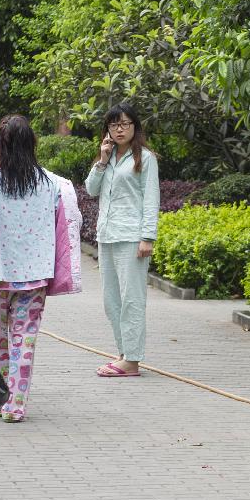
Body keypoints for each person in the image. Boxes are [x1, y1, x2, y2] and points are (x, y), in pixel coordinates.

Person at [0, 115, 81, 422]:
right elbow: (71, 220)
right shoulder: (53, 184)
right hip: (36, 275)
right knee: (25, 338)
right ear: (32, 144)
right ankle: (16, 405)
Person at [85, 103, 159, 378]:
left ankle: (133, 360)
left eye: (125, 124)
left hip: (132, 237)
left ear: (134, 127)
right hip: (106, 235)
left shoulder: (146, 158)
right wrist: (102, 161)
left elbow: (151, 199)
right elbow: (91, 190)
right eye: (114, 124)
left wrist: (147, 237)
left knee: (132, 299)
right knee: (111, 300)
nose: (119, 129)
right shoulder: (108, 157)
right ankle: (124, 352)